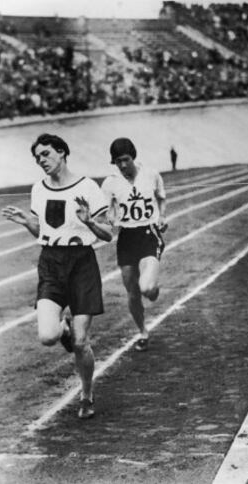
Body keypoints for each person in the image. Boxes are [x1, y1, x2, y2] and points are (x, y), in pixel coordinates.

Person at [2, 133, 112, 419]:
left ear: (62, 152)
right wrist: (28, 222)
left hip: (81, 265)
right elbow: (43, 232)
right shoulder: (38, 189)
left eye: (46, 154)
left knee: (80, 343)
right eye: (38, 157)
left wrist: (89, 221)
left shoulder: (88, 186)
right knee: (48, 336)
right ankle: (63, 328)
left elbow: (108, 233)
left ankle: (86, 394)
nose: (42, 161)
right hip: (50, 263)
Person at [101, 138, 167, 351]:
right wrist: (111, 218)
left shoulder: (151, 174)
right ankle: (142, 331)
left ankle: (153, 289)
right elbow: (107, 210)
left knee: (146, 287)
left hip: (149, 233)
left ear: (133, 156)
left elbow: (161, 198)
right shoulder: (110, 183)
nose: (122, 165)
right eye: (117, 161)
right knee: (132, 290)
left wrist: (162, 217)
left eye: (125, 160)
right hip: (127, 238)